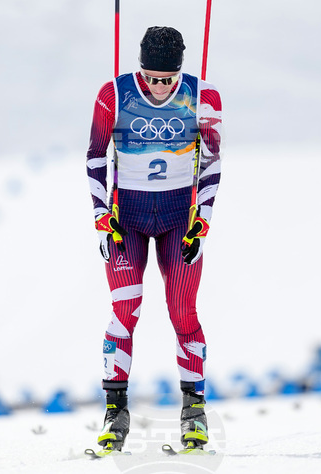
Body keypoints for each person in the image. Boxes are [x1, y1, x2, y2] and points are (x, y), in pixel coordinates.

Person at [86, 26, 223, 453]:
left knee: (183, 311)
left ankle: (194, 414)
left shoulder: (204, 96)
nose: (159, 88)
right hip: (127, 217)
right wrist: (100, 214)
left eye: (167, 80)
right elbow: (94, 155)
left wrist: (202, 220)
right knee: (126, 307)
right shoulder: (114, 93)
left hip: (178, 218)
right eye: (151, 78)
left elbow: (213, 160)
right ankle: (115, 411)